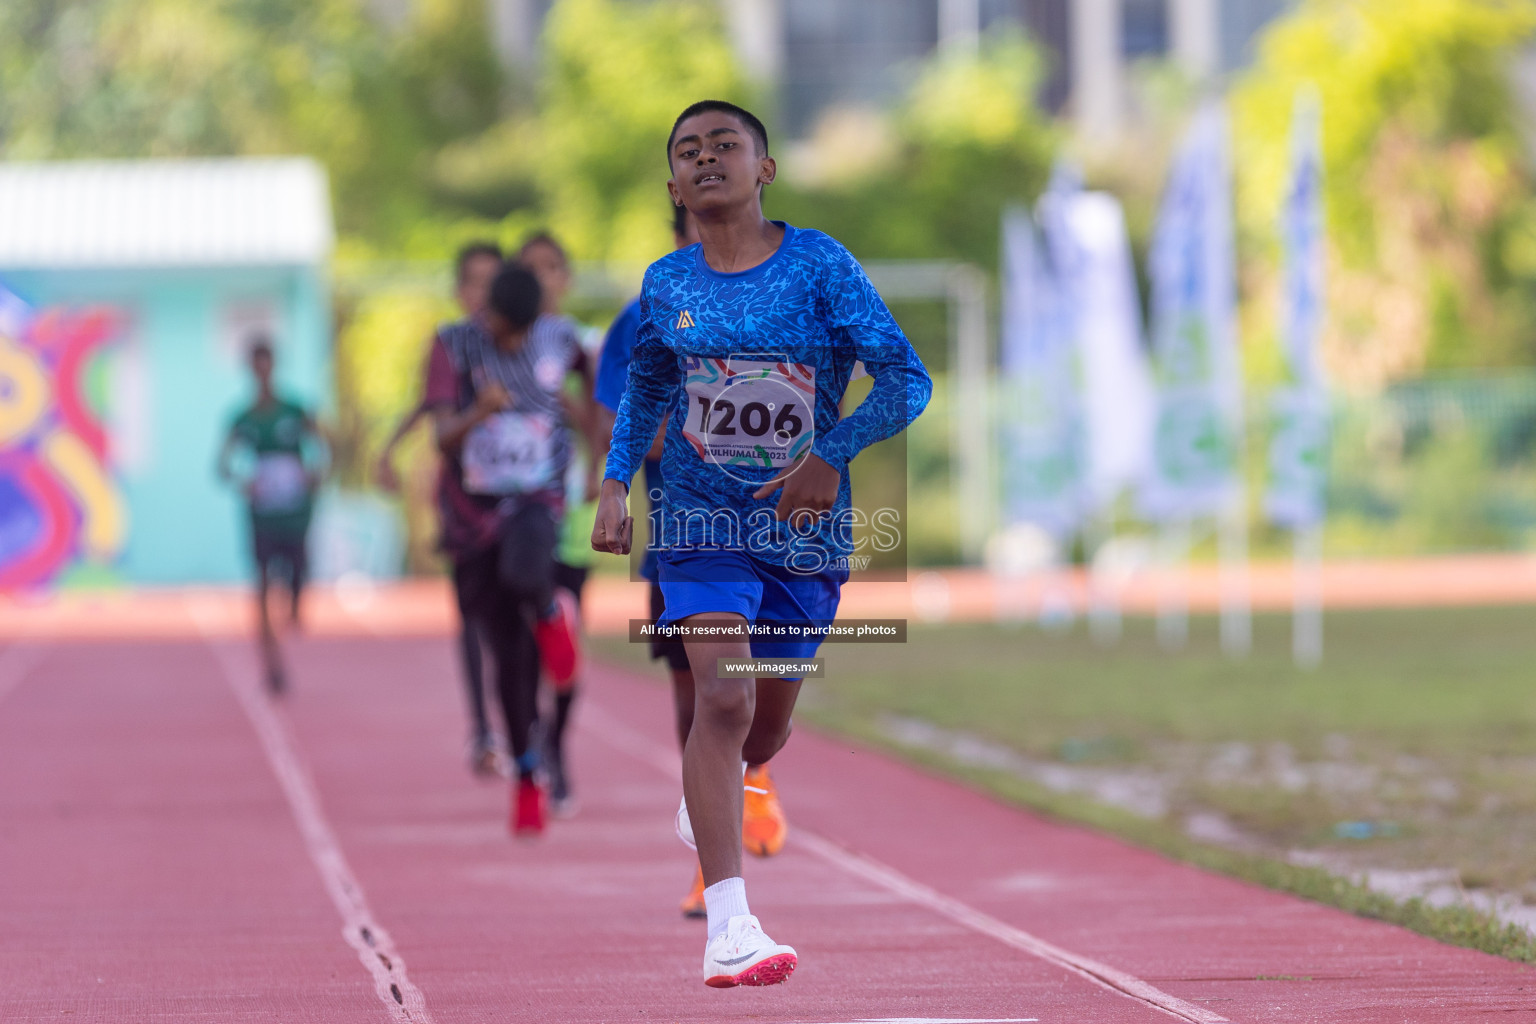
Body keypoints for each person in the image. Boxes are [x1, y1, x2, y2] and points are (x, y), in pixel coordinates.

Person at [593, 100, 931, 987]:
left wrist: (833, 450)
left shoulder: (820, 265)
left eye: (726, 145)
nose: (707, 159)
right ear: (673, 183)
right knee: (724, 697)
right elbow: (647, 388)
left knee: (764, 728)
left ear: (764, 168)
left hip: (802, 533)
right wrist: (615, 480)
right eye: (687, 152)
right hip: (700, 529)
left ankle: (709, 796)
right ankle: (731, 926)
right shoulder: (667, 284)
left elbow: (907, 376)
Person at [593, 203, 789, 921]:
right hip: (687, 541)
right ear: (679, 235)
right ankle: (714, 869)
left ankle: (753, 788)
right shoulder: (643, 316)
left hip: (775, 541)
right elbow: (626, 424)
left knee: (761, 707)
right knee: (703, 701)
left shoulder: (780, 303)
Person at [424, 263, 590, 837]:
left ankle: (551, 612)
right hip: (474, 516)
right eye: (505, 333)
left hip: (537, 497)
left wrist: (596, 447)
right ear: (488, 315)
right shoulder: (452, 345)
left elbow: (602, 382)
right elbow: (440, 436)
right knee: (508, 658)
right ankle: (526, 770)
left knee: (529, 575)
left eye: (523, 333)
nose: (515, 344)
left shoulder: (560, 337)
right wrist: (479, 411)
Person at [377, 241, 505, 776]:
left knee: (521, 613)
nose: (483, 293)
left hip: (521, 500)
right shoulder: (450, 345)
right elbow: (433, 408)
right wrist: (390, 448)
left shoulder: (531, 341)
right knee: (474, 620)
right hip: (464, 506)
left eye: (493, 282)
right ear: (459, 289)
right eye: (473, 282)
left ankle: (525, 718)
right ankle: (482, 728)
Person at [516, 231, 595, 817]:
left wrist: (600, 469)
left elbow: (605, 415)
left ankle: (557, 745)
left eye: (551, 268)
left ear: (566, 278)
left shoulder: (578, 345)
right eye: (530, 269)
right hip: (520, 508)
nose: (542, 279)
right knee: (525, 636)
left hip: (572, 511)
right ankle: (531, 741)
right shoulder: (504, 344)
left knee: (567, 636)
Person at [218, 337, 328, 696]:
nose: (262, 372)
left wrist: (317, 474)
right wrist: (243, 482)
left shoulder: (295, 410)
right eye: (257, 366)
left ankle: (296, 601)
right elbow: (222, 465)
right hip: (262, 513)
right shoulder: (243, 418)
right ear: (251, 369)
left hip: (295, 511)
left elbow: (327, 444)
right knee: (263, 586)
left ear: (274, 366)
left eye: (267, 364)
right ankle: (272, 665)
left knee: (297, 577)